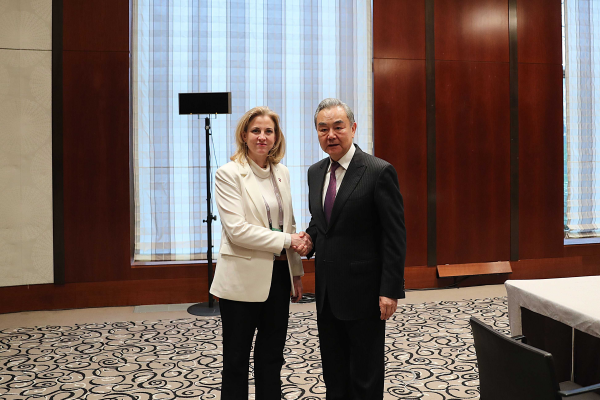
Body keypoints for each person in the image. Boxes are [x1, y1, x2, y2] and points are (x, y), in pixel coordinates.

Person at [304, 98, 406, 399]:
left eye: (338, 127)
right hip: (327, 293)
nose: (331, 135)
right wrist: (308, 239)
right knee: (333, 374)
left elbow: (394, 235)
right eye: (323, 129)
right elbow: (322, 221)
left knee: (364, 375)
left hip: (365, 294)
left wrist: (390, 290)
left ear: (353, 128)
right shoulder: (315, 172)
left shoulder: (378, 171)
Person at [210, 106, 311, 399]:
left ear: (276, 137)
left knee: (271, 358)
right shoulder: (228, 174)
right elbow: (237, 231)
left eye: (269, 131)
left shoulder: (282, 172)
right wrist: (288, 240)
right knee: (236, 361)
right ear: (244, 135)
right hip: (240, 280)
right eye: (256, 131)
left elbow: (288, 224)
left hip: (278, 276)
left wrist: (295, 273)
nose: (262, 137)